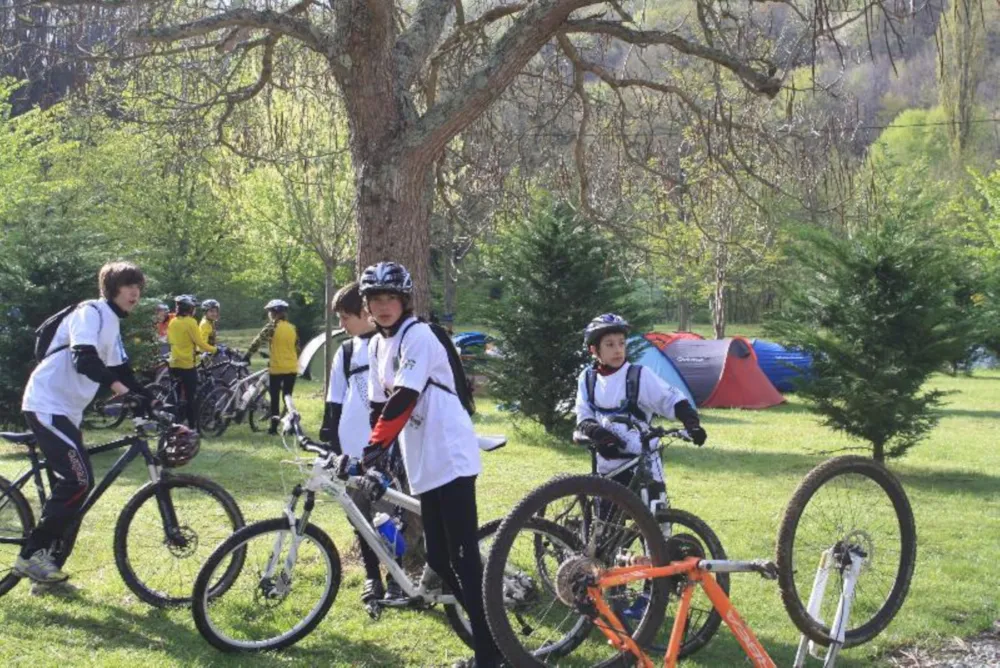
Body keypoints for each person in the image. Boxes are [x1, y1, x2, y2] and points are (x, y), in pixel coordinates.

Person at [352, 261, 503, 668]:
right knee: (439, 559)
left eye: (390, 298)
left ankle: (491, 654)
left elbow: (403, 397)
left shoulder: (417, 336)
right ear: (367, 305)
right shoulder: (375, 345)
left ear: (404, 301)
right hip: (420, 456)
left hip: (448, 451)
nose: (383, 306)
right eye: (375, 299)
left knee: (464, 558)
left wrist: (375, 446)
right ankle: (492, 636)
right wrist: (369, 450)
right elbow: (379, 405)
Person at [16, 261, 154, 585]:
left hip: (68, 411)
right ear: (111, 289)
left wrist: (153, 402)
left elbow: (124, 374)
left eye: (138, 287)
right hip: (46, 404)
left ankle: (46, 573)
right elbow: (84, 358)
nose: (135, 292)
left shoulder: (112, 325)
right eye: (128, 285)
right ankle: (29, 556)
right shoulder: (89, 312)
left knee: (76, 494)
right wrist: (120, 391)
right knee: (79, 481)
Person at [319, 281, 406, 604]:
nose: (341, 325)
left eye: (346, 317)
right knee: (358, 516)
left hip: (387, 450)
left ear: (365, 313)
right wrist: (330, 443)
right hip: (351, 448)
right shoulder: (345, 352)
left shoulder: (394, 345)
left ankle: (395, 576)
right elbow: (334, 400)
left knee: (391, 517)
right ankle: (372, 577)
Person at [574, 313, 707, 492]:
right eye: (610, 344)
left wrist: (692, 424)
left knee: (653, 517)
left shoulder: (639, 375)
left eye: (622, 343)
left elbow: (672, 400)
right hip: (607, 463)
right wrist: (600, 435)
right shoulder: (587, 378)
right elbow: (584, 417)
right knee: (606, 519)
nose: (618, 350)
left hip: (643, 463)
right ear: (594, 350)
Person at [245, 299, 300, 435]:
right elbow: (297, 347)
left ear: (274, 313)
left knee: (275, 397)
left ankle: (273, 428)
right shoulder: (292, 328)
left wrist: (247, 355)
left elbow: (257, 341)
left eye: (270, 312)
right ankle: (291, 425)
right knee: (287, 396)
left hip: (277, 367)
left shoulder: (272, 326)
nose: (269, 314)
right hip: (292, 367)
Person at [167, 294, 217, 428]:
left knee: (176, 396)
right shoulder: (191, 322)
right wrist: (215, 350)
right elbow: (200, 343)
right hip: (187, 364)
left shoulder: (173, 321)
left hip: (173, 363)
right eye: (193, 307)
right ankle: (193, 427)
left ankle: (174, 424)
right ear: (189, 309)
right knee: (190, 398)